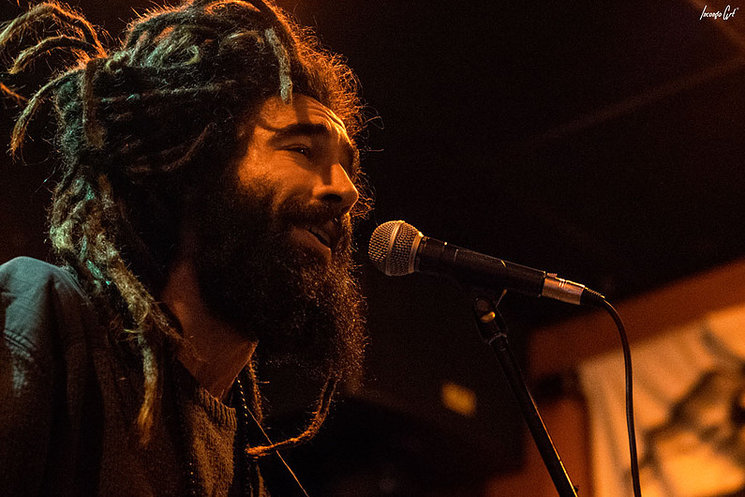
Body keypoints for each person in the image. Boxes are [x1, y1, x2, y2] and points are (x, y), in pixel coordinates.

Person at [0, 1, 371, 495]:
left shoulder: (249, 474)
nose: (347, 191)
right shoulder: (43, 317)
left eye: (348, 168)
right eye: (302, 150)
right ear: (198, 171)